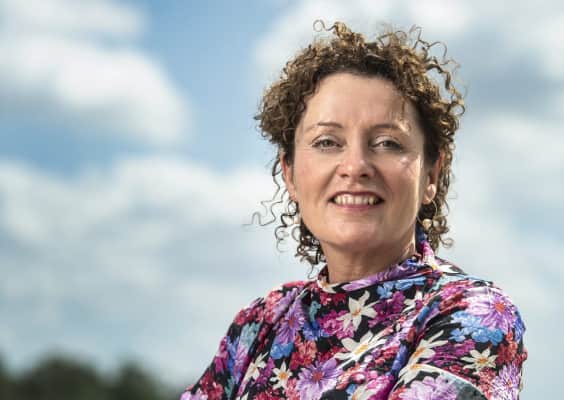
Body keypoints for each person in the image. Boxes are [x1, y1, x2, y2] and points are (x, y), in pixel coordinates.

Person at [180, 21, 527, 400]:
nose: (356, 165)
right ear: (290, 173)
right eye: (327, 142)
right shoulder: (261, 321)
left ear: (431, 174)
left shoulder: (471, 313)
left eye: (387, 143)